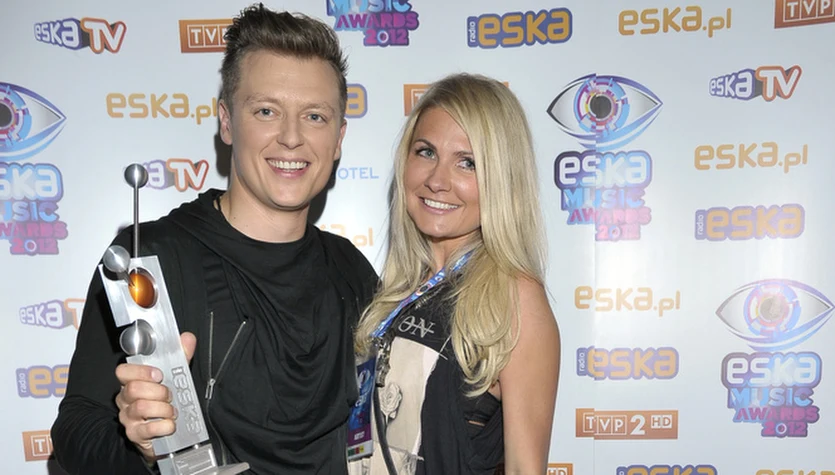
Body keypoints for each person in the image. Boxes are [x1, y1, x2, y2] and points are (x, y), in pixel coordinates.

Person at [50, 4, 378, 474]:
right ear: (226, 122)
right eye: (266, 111)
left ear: (339, 137)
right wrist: (144, 449)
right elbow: (75, 431)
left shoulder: (353, 270)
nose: (291, 137)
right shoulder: (150, 259)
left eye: (314, 116)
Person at [348, 74, 561, 475]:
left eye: (467, 163)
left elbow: (524, 468)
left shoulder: (514, 297)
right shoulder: (394, 294)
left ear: (501, 178)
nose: (437, 180)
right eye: (426, 152)